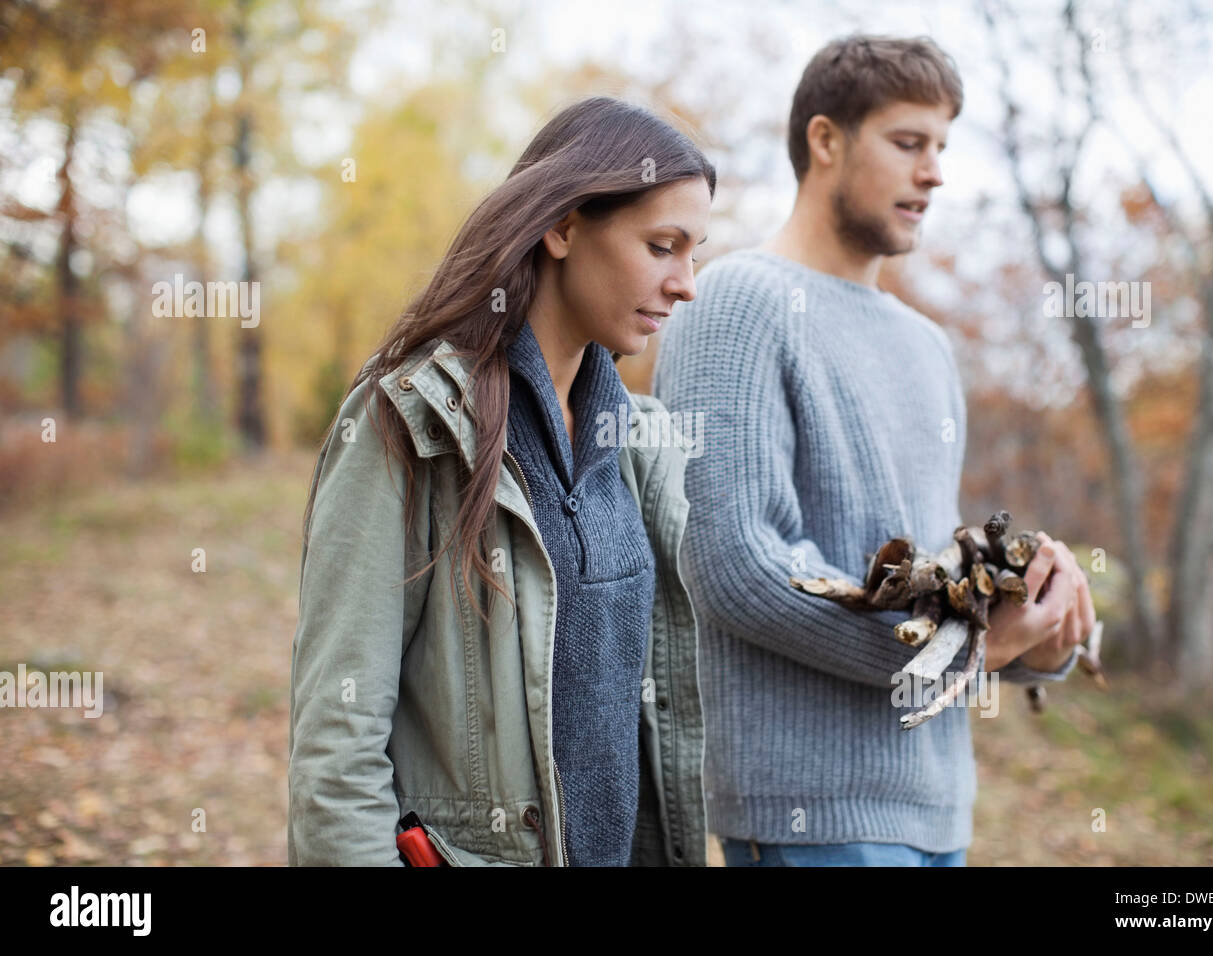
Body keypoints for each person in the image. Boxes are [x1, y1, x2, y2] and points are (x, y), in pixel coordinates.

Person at [653, 34, 1096, 867]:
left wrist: (1028, 630)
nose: (934, 172)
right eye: (907, 143)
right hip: (808, 810)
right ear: (825, 141)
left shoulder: (927, 346)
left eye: (942, 149)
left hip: (937, 808)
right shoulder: (733, 304)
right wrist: (960, 653)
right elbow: (731, 564)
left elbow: (921, 572)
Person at [288, 95, 714, 866]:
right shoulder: (411, 422)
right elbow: (336, 743)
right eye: (662, 246)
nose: (687, 282)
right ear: (562, 226)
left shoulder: (638, 445)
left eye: (695, 252)